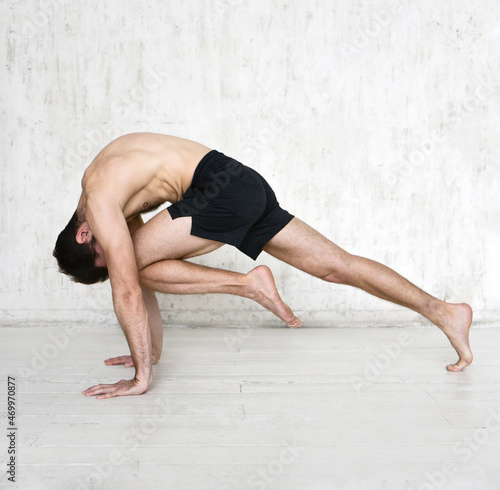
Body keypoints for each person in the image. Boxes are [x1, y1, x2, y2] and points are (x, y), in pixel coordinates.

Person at [53, 133, 473, 399]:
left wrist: (141, 379)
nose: (118, 249)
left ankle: (249, 284)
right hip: (240, 182)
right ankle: (445, 312)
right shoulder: (108, 187)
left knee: (133, 268)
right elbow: (139, 282)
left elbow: (127, 287)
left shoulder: (101, 200)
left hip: (221, 191)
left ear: (85, 234)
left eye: (105, 254)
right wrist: (152, 352)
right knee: (336, 266)